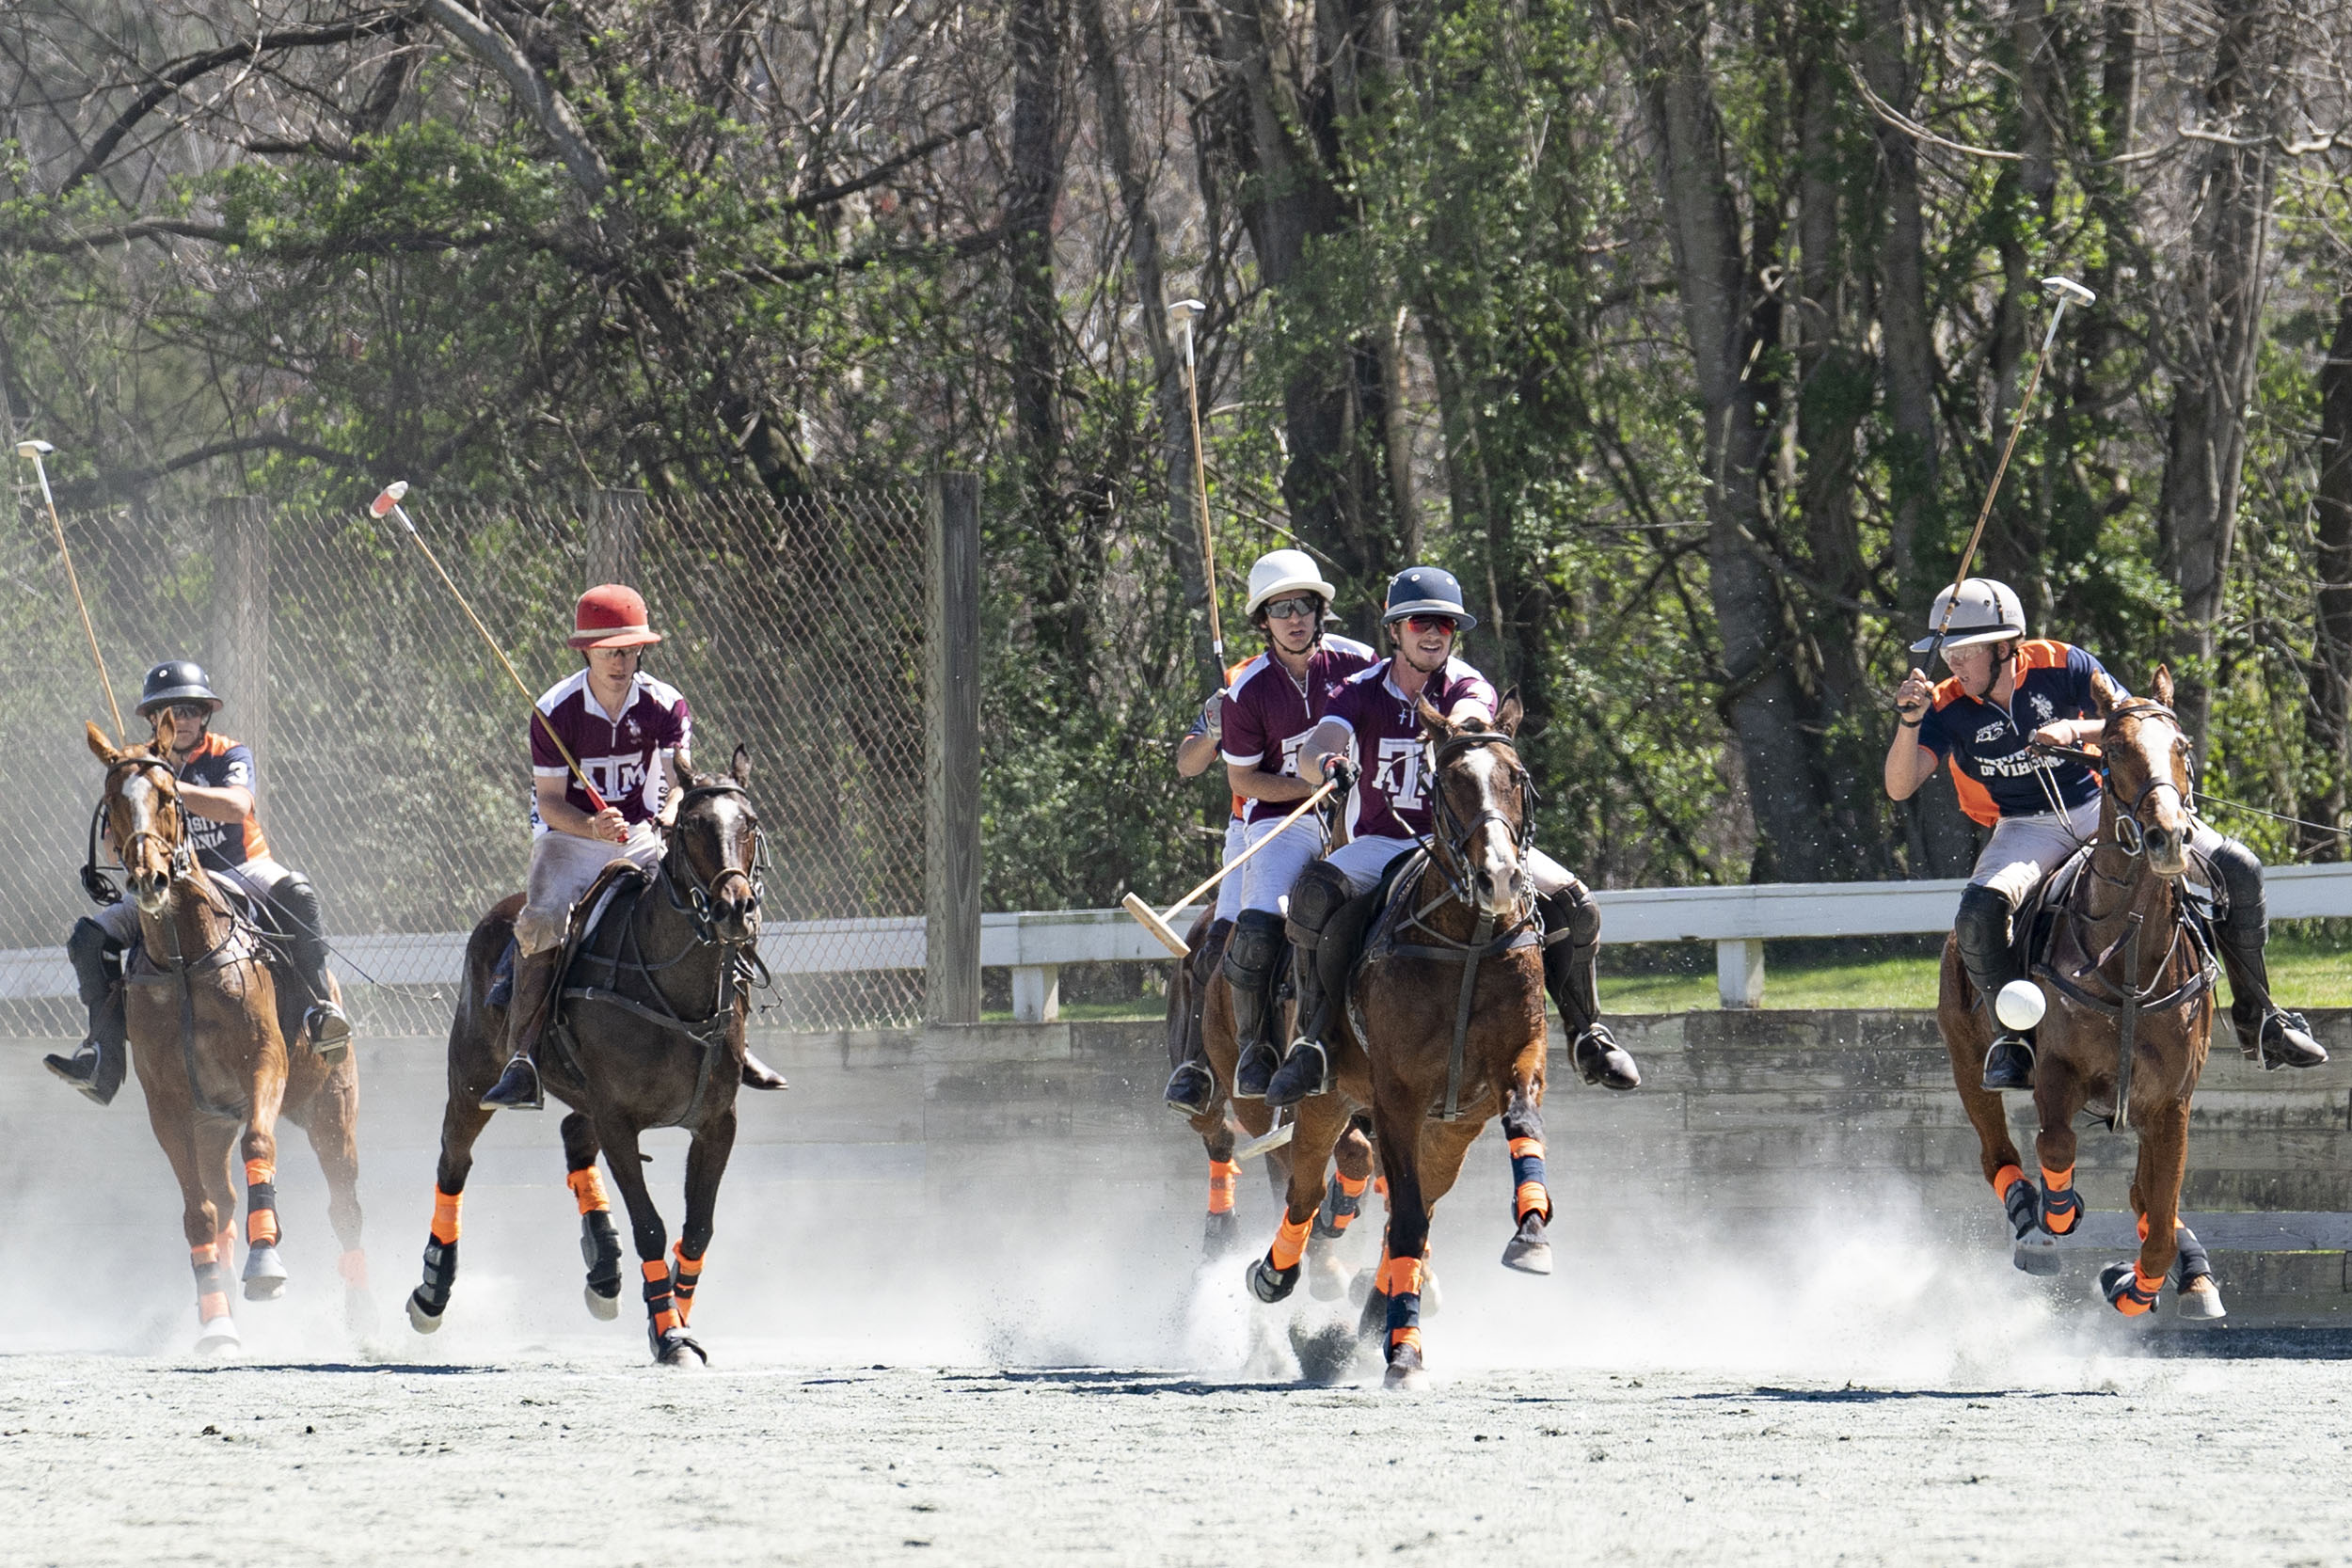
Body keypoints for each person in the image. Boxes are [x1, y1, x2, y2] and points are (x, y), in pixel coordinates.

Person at [1885, 578, 2326, 1091]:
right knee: (1977, 916)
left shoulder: (2062, 664)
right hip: (2026, 827)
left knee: (2240, 869)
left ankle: (2263, 1019)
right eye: (1949, 654)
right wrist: (1909, 722)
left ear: (2004, 647)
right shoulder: (1944, 704)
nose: (1953, 665)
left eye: (1965, 653)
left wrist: (2073, 731)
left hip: (2106, 806)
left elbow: (2136, 720)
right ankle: (2014, 1039)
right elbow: (1900, 786)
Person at [1262, 566, 1639, 1109]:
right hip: (1385, 843)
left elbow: (1471, 713)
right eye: (1420, 622)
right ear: (1395, 630)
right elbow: (1317, 743)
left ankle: (1587, 1033)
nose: (1433, 633)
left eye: (1444, 623)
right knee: (1314, 896)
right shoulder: (1359, 690)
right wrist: (1326, 762)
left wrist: (1456, 724)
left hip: (1470, 844)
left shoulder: (1467, 685)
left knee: (1577, 905)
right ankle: (1315, 1042)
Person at [478, 585, 787, 1110]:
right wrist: (592, 827)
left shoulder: (666, 704)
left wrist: (665, 820)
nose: (621, 661)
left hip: (645, 834)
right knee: (545, 918)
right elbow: (550, 802)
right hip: (569, 839)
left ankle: (738, 1043)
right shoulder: (555, 710)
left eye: (629, 649)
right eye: (609, 651)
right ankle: (524, 1058)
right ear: (586, 652)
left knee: (715, 903)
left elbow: (675, 782)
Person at [46, 660, 350, 1103]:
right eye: (170, 711)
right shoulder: (135, 774)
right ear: (155, 720)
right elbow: (114, 851)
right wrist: (129, 812)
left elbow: (237, 807)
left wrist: (166, 786)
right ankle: (102, 1055)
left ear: (204, 715)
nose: (181, 719)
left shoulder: (227, 753)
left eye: (189, 710)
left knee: (298, 893)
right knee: (88, 938)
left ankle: (320, 1010)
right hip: (170, 879)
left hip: (238, 870)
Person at [1211, 549, 1377, 1101]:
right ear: (1263, 621)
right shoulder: (1247, 689)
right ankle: (1256, 1046)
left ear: (1319, 610)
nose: (1295, 617)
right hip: (1283, 822)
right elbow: (1245, 781)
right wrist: (1311, 788)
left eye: (1304, 605)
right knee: (1258, 929)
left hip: (1361, 814)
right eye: (1280, 609)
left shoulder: (1360, 663)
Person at [1161, 660, 1249, 1116]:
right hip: (1257, 825)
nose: (1299, 622)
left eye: (1311, 612)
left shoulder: (1354, 670)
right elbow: (1187, 763)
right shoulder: (1242, 678)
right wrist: (1214, 729)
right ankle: (1198, 1066)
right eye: (1283, 610)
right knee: (1217, 940)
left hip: (1340, 820)